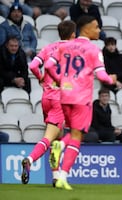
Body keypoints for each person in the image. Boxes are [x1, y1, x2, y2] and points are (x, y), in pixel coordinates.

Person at [44, 15, 116, 190]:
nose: (99, 30)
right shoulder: (93, 50)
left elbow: (47, 65)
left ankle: (60, 145)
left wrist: (60, 80)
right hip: (81, 98)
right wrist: (112, 79)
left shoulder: (65, 46)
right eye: (96, 27)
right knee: (78, 136)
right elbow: (102, 76)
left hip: (64, 96)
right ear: (86, 29)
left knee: (72, 132)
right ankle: (62, 176)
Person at [21, 20, 76, 186]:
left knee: (56, 139)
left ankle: (55, 176)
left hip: (46, 98)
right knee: (52, 136)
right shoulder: (74, 50)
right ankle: (30, 160)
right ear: (73, 34)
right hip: (60, 99)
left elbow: (33, 66)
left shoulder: (48, 47)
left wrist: (41, 78)